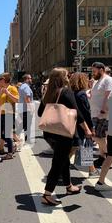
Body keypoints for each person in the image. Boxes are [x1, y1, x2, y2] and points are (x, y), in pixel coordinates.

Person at [38, 68, 93, 206]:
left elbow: (40, 113)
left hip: (49, 133)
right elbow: (77, 113)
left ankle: (69, 186)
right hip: (63, 133)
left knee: (63, 159)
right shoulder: (66, 92)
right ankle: (47, 194)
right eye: (67, 75)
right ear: (63, 78)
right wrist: (86, 129)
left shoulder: (48, 93)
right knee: (58, 163)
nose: (69, 77)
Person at [69, 73, 100, 177]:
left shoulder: (71, 93)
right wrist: (91, 127)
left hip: (74, 123)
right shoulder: (81, 94)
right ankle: (92, 170)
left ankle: (92, 169)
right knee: (85, 145)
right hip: (82, 124)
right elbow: (86, 112)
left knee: (76, 146)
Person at [90, 62, 112, 168]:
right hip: (96, 113)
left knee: (97, 136)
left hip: (103, 114)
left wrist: (103, 110)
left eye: (94, 71)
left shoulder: (108, 80)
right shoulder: (98, 81)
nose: (93, 73)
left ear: (101, 69)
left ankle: (109, 155)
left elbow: (109, 95)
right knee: (99, 136)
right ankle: (102, 157)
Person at [0, 73, 19, 160]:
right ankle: (13, 146)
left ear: (5, 80)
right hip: (1, 114)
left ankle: (10, 152)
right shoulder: (1, 89)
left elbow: (17, 100)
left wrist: (8, 93)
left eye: (0, 79)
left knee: (7, 134)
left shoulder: (12, 88)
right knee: (1, 134)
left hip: (9, 114)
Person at [18, 74, 35, 145]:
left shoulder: (22, 86)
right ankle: (26, 140)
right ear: (27, 79)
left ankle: (25, 139)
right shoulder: (26, 87)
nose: (31, 80)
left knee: (24, 125)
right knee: (26, 125)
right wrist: (31, 109)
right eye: (30, 78)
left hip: (22, 109)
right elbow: (27, 99)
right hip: (26, 109)